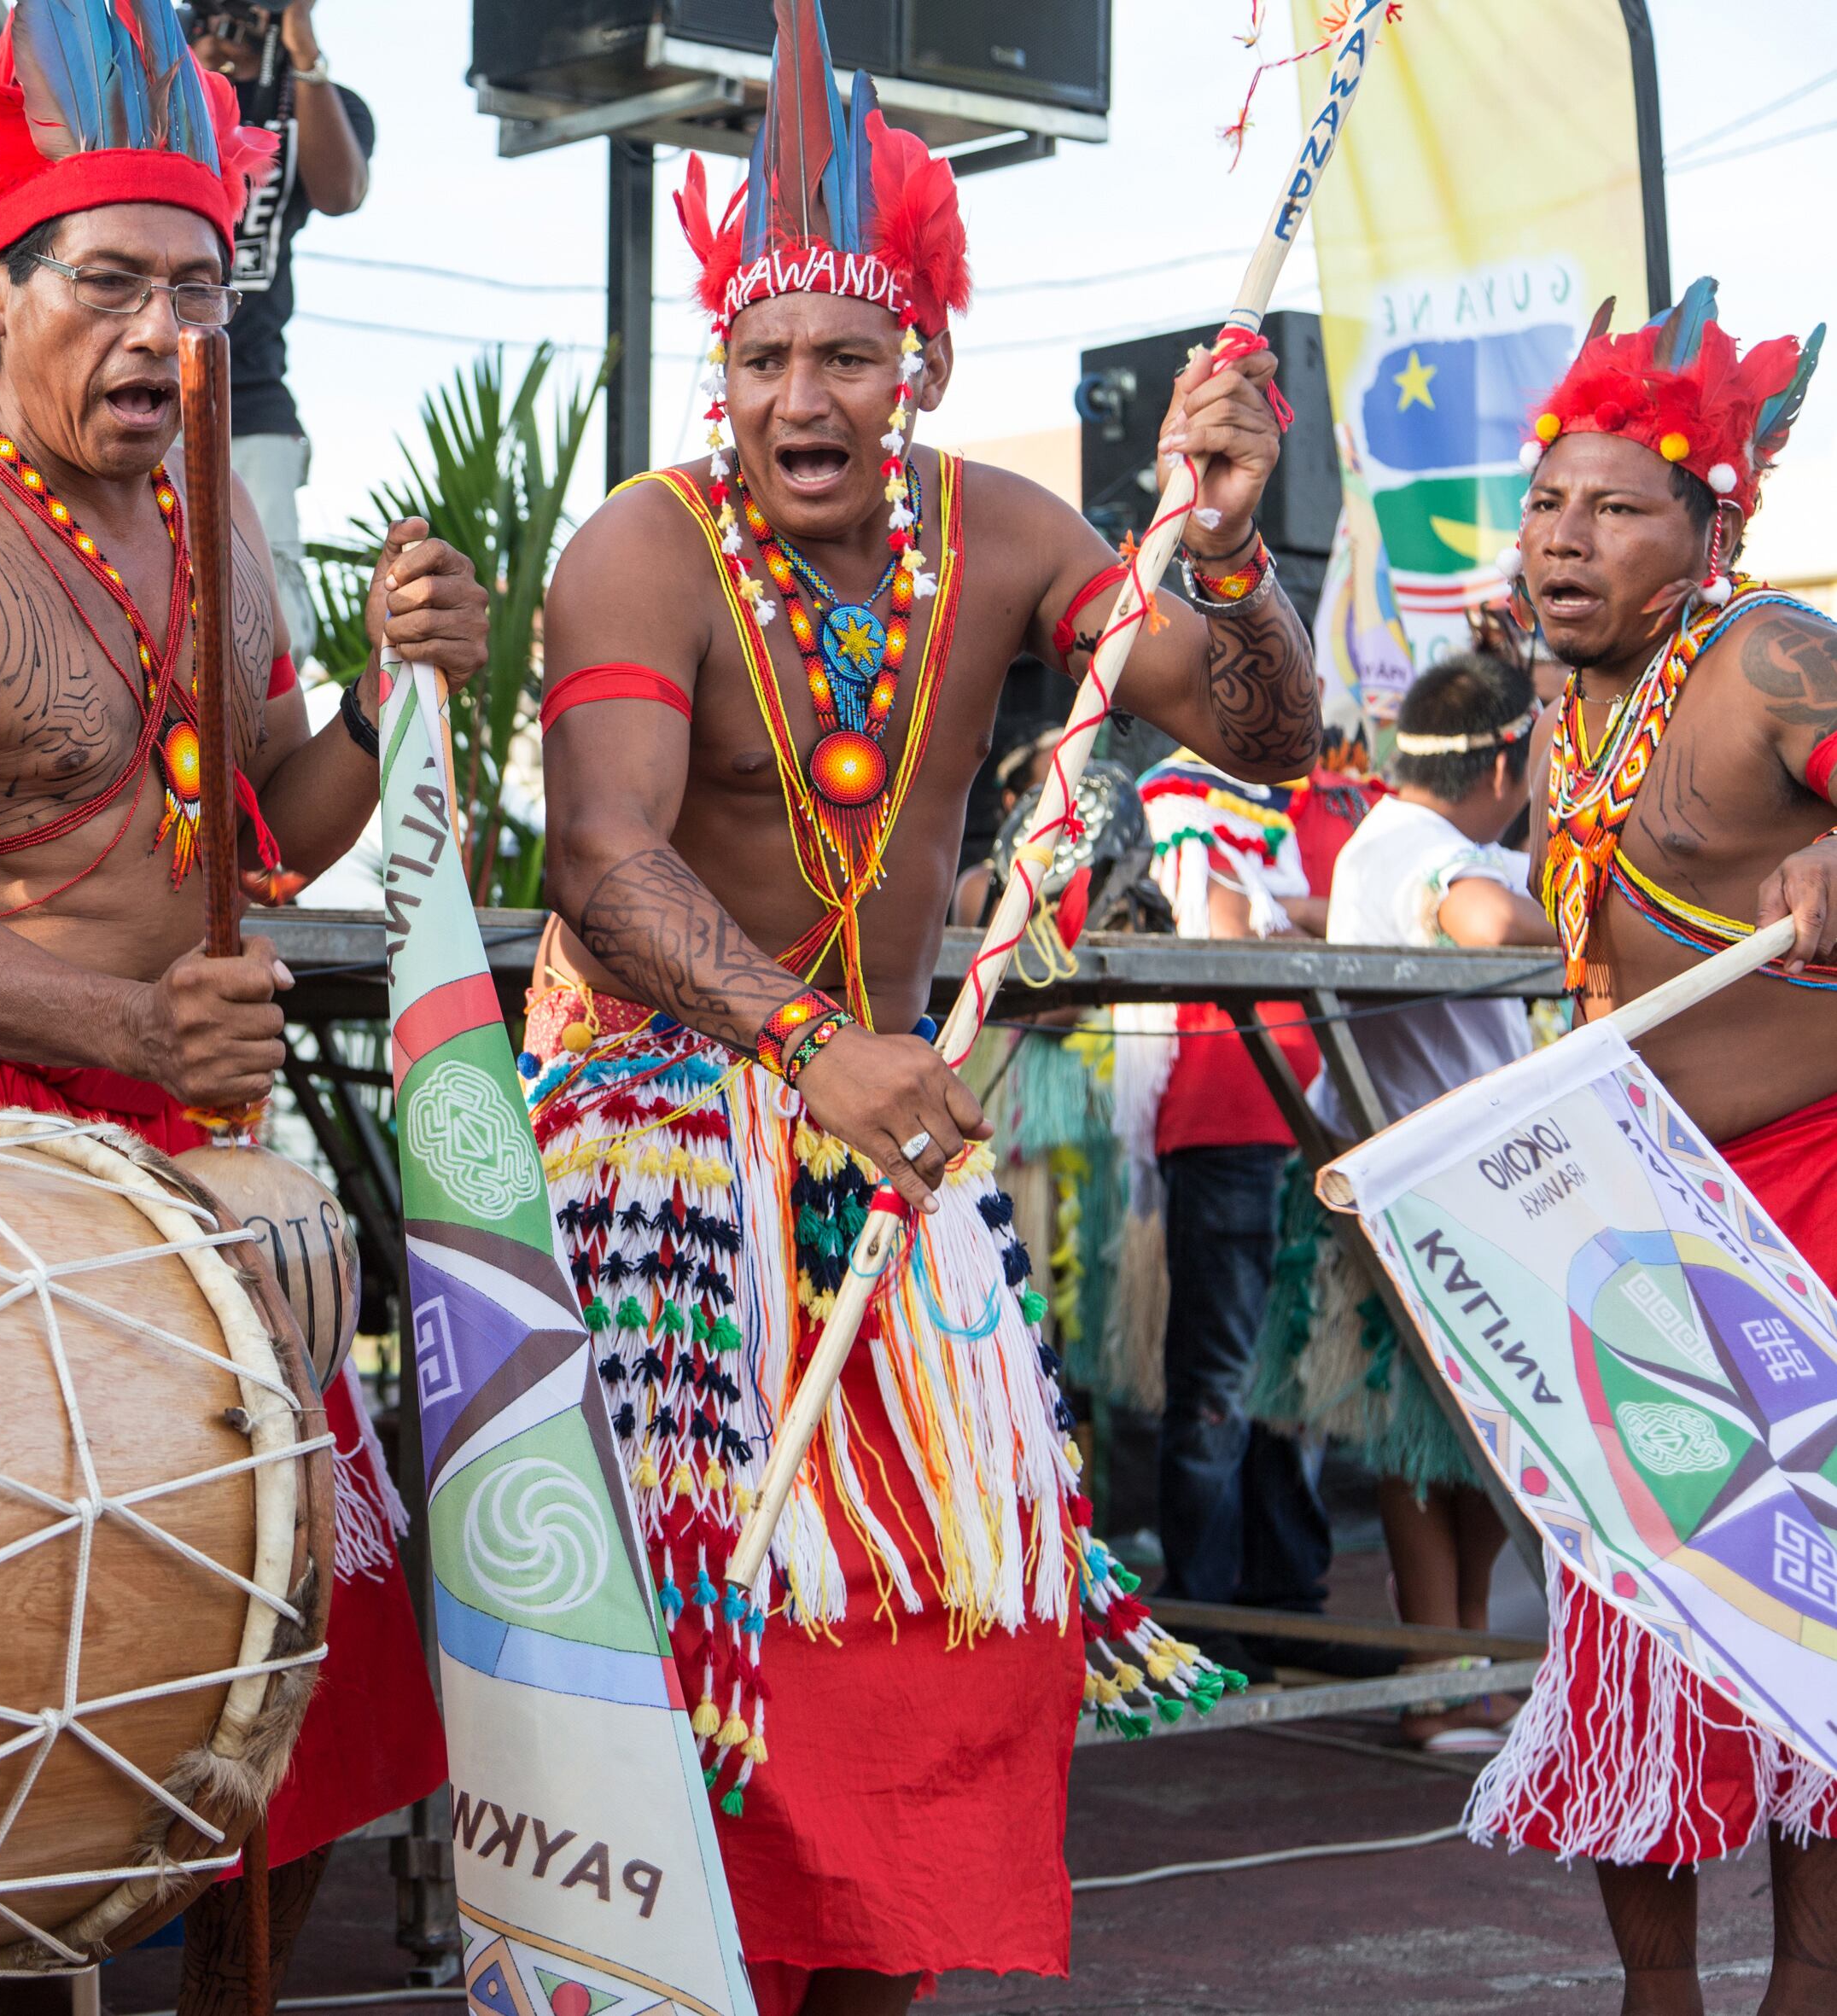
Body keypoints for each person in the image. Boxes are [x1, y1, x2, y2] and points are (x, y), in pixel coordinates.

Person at [521, 4, 1314, 2001]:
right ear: (727, 371)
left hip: (891, 1146)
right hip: (664, 1143)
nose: (803, 394)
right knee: (701, 1655)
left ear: (917, 369)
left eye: (845, 356)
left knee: (945, 1631)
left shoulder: (1007, 534)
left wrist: (1225, 548)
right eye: (766, 355)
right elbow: (605, 862)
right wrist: (808, 1044)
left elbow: (1260, 730)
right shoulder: (643, 546)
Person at [0, 15, 484, 2012]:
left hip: (176, 1149)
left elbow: (269, 834)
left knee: (303, 1697)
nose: (164, 332)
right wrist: (142, 1033)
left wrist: (405, 698)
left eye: (200, 285)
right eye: (113, 282)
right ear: (0, 293)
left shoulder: (220, 524)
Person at [1460, 279, 1837, 2014]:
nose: (1562, 536)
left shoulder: (1766, 652)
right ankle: (1657, 1997)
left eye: (1614, 507)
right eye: (1546, 499)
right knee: (1634, 1621)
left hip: (1807, 1197)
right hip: (1630, 1212)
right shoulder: (1563, 699)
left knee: (1804, 1614)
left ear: (1707, 526)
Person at [1257, 650, 1554, 1749]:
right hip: (1418, 1183)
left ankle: (1463, 1652)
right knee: (1422, 1440)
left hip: (1448, 1177)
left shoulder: (1399, 838)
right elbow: (1478, 923)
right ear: (1508, 755)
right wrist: (1590, 935)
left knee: (1462, 1441)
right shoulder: (1424, 851)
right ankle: (1437, 1673)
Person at [1131, 748, 1342, 1674]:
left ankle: (1282, 1598)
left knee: (1288, 1378)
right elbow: (1220, 923)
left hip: (1308, 1119)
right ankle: (1205, 1610)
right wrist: (1293, 914)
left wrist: (1285, 910)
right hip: (1227, 1119)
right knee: (1221, 1376)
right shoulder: (1182, 798)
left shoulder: (1316, 804)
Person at [184, 0, 371, 663]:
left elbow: (340, 192)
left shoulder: (313, 96)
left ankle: (267, 749)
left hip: (250, 395)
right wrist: (187, 58)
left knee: (271, 610)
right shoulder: (162, 61)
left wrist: (301, 48)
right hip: (145, 379)